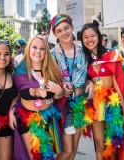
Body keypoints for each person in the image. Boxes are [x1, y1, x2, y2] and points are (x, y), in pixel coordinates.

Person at [80, 20, 124, 160]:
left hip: (112, 104)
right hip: (96, 104)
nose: (89, 40)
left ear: (98, 36)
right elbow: (84, 78)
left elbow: (119, 86)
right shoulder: (85, 60)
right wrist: (89, 81)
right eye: (85, 37)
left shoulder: (111, 56)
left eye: (92, 36)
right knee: (99, 143)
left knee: (113, 145)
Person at [9, 35, 64, 160]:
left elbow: (58, 95)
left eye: (42, 48)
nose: (38, 51)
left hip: (49, 118)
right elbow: (19, 94)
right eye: (34, 47)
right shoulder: (21, 70)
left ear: (46, 51)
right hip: (28, 119)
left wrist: (59, 91)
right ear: (28, 48)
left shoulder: (52, 69)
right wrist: (12, 111)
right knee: (35, 158)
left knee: (49, 156)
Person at [50, 14, 94, 160]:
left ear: (72, 28)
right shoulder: (52, 55)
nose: (64, 33)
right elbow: (47, 79)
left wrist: (90, 82)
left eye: (66, 28)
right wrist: (61, 84)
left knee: (74, 148)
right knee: (66, 150)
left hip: (80, 104)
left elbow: (90, 73)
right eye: (59, 31)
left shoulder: (84, 51)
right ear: (55, 34)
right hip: (63, 105)